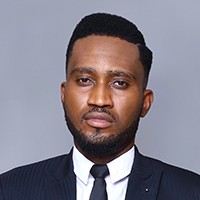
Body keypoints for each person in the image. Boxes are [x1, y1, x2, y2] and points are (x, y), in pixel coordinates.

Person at [0, 13, 199, 200]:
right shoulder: (10, 190)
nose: (99, 99)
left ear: (145, 102)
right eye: (85, 80)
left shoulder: (191, 192)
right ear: (63, 93)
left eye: (120, 83)